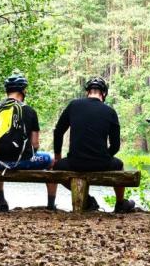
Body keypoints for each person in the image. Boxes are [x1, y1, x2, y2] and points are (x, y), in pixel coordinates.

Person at [0, 73, 53, 212]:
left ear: (7, 90)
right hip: (22, 162)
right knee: (51, 160)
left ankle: (1, 203)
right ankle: (51, 205)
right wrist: (28, 155)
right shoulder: (29, 111)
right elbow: (35, 144)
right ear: (23, 91)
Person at [49, 77, 135, 213]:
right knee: (120, 165)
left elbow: (58, 131)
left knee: (55, 168)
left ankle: (89, 201)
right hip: (101, 163)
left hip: (75, 162)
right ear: (104, 93)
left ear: (87, 92)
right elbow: (115, 146)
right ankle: (120, 204)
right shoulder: (110, 112)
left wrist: (58, 157)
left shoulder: (74, 105)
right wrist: (105, 156)